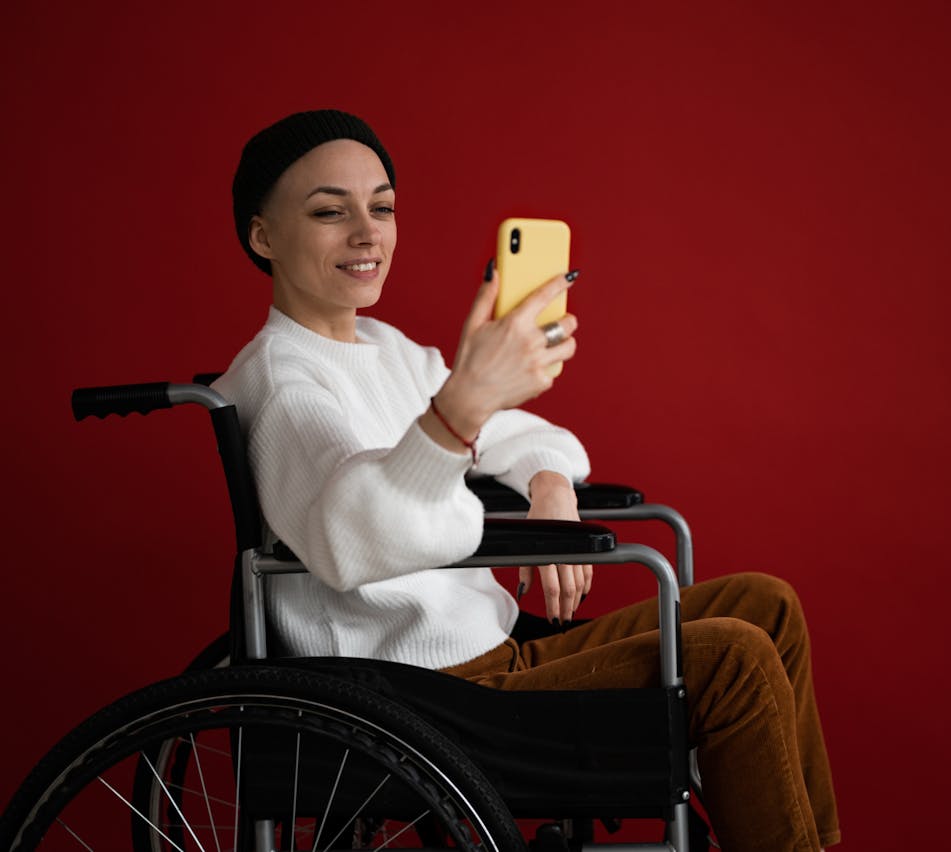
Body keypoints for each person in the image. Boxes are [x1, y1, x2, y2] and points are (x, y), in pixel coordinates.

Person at [214, 109, 840, 851]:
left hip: (491, 656)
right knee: (732, 659)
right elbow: (353, 539)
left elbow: (528, 436)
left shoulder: (388, 351)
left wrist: (550, 484)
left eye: (381, 206)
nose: (367, 233)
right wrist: (461, 409)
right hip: (417, 695)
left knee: (765, 604)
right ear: (263, 236)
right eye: (329, 211)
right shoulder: (286, 384)